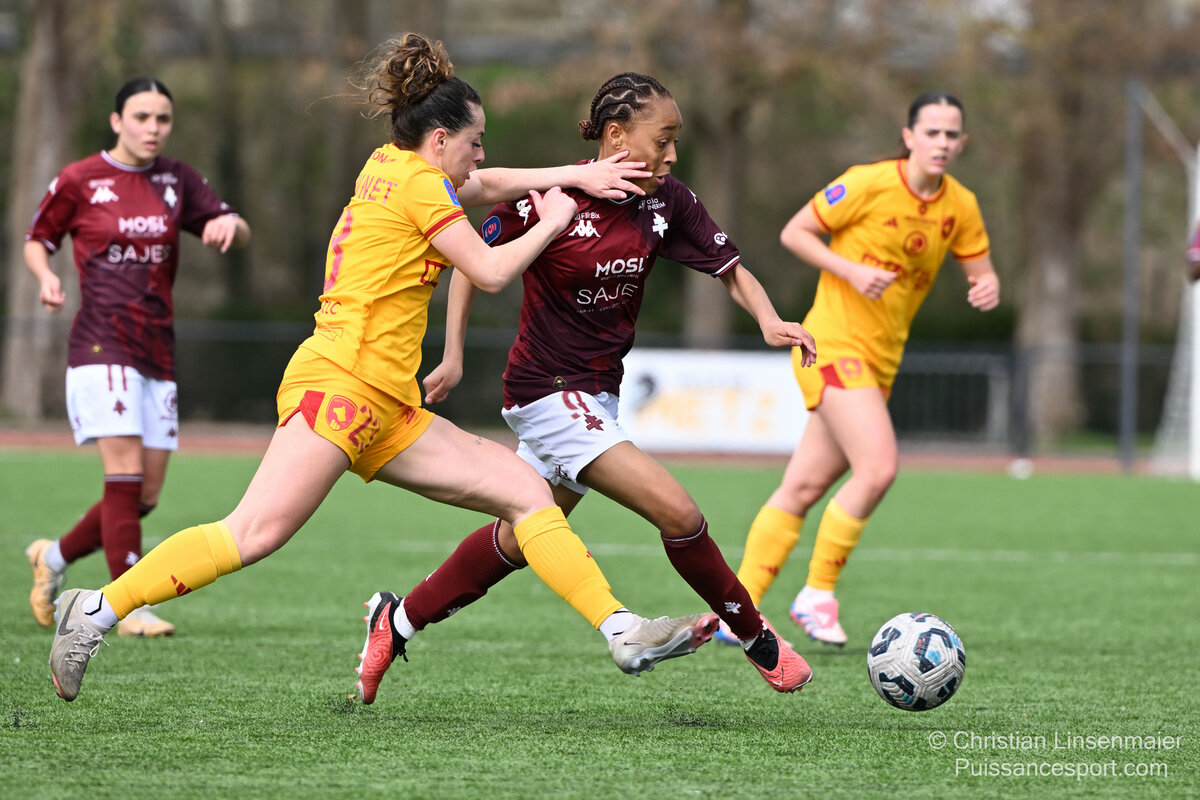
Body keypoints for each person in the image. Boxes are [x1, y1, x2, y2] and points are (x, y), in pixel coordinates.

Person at [48, 34, 718, 704]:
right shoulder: (422, 187)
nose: (481, 154)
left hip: (389, 406)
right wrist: (555, 217)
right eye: (475, 141)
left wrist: (570, 174)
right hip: (341, 385)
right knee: (251, 534)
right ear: (440, 140)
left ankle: (621, 630)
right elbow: (489, 271)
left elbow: (483, 184)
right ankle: (96, 609)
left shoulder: (390, 163)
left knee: (528, 495)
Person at [358, 72, 819, 697]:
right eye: (663, 140)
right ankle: (758, 638)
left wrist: (768, 319)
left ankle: (397, 622)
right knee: (679, 513)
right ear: (617, 136)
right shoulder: (549, 196)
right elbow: (470, 263)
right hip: (545, 391)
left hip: (598, 394)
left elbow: (728, 267)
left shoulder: (667, 201)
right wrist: (455, 353)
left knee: (518, 538)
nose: (672, 155)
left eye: (676, 141)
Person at [723, 91, 1001, 647]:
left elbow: (981, 270)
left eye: (952, 135)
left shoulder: (961, 205)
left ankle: (739, 613)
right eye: (932, 132)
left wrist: (987, 284)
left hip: (880, 362)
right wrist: (849, 269)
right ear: (909, 136)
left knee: (803, 486)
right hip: (830, 344)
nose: (942, 143)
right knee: (878, 468)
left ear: (963, 143)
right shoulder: (868, 183)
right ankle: (817, 593)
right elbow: (795, 232)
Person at [24, 77, 252, 638]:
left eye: (163, 119)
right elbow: (38, 239)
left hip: (157, 347)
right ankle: (126, 606)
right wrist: (46, 277)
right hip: (101, 343)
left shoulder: (177, 179)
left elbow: (237, 228)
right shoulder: (81, 179)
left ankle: (52, 557)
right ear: (116, 121)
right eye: (142, 117)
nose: (153, 128)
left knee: (144, 494)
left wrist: (230, 225)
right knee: (123, 475)